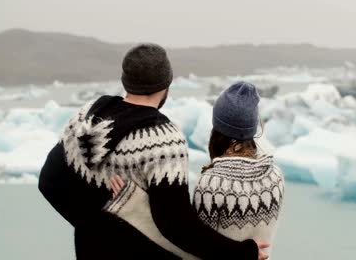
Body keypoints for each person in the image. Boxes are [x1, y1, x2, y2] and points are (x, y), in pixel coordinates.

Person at [38, 43, 268, 260]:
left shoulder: (89, 114)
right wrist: (242, 253)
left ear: (126, 80)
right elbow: (178, 226)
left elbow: (48, 182)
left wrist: (96, 224)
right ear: (166, 83)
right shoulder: (163, 139)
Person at [112, 81, 285, 258]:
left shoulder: (213, 183)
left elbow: (193, 250)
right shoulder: (275, 175)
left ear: (217, 127)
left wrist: (134, 207)